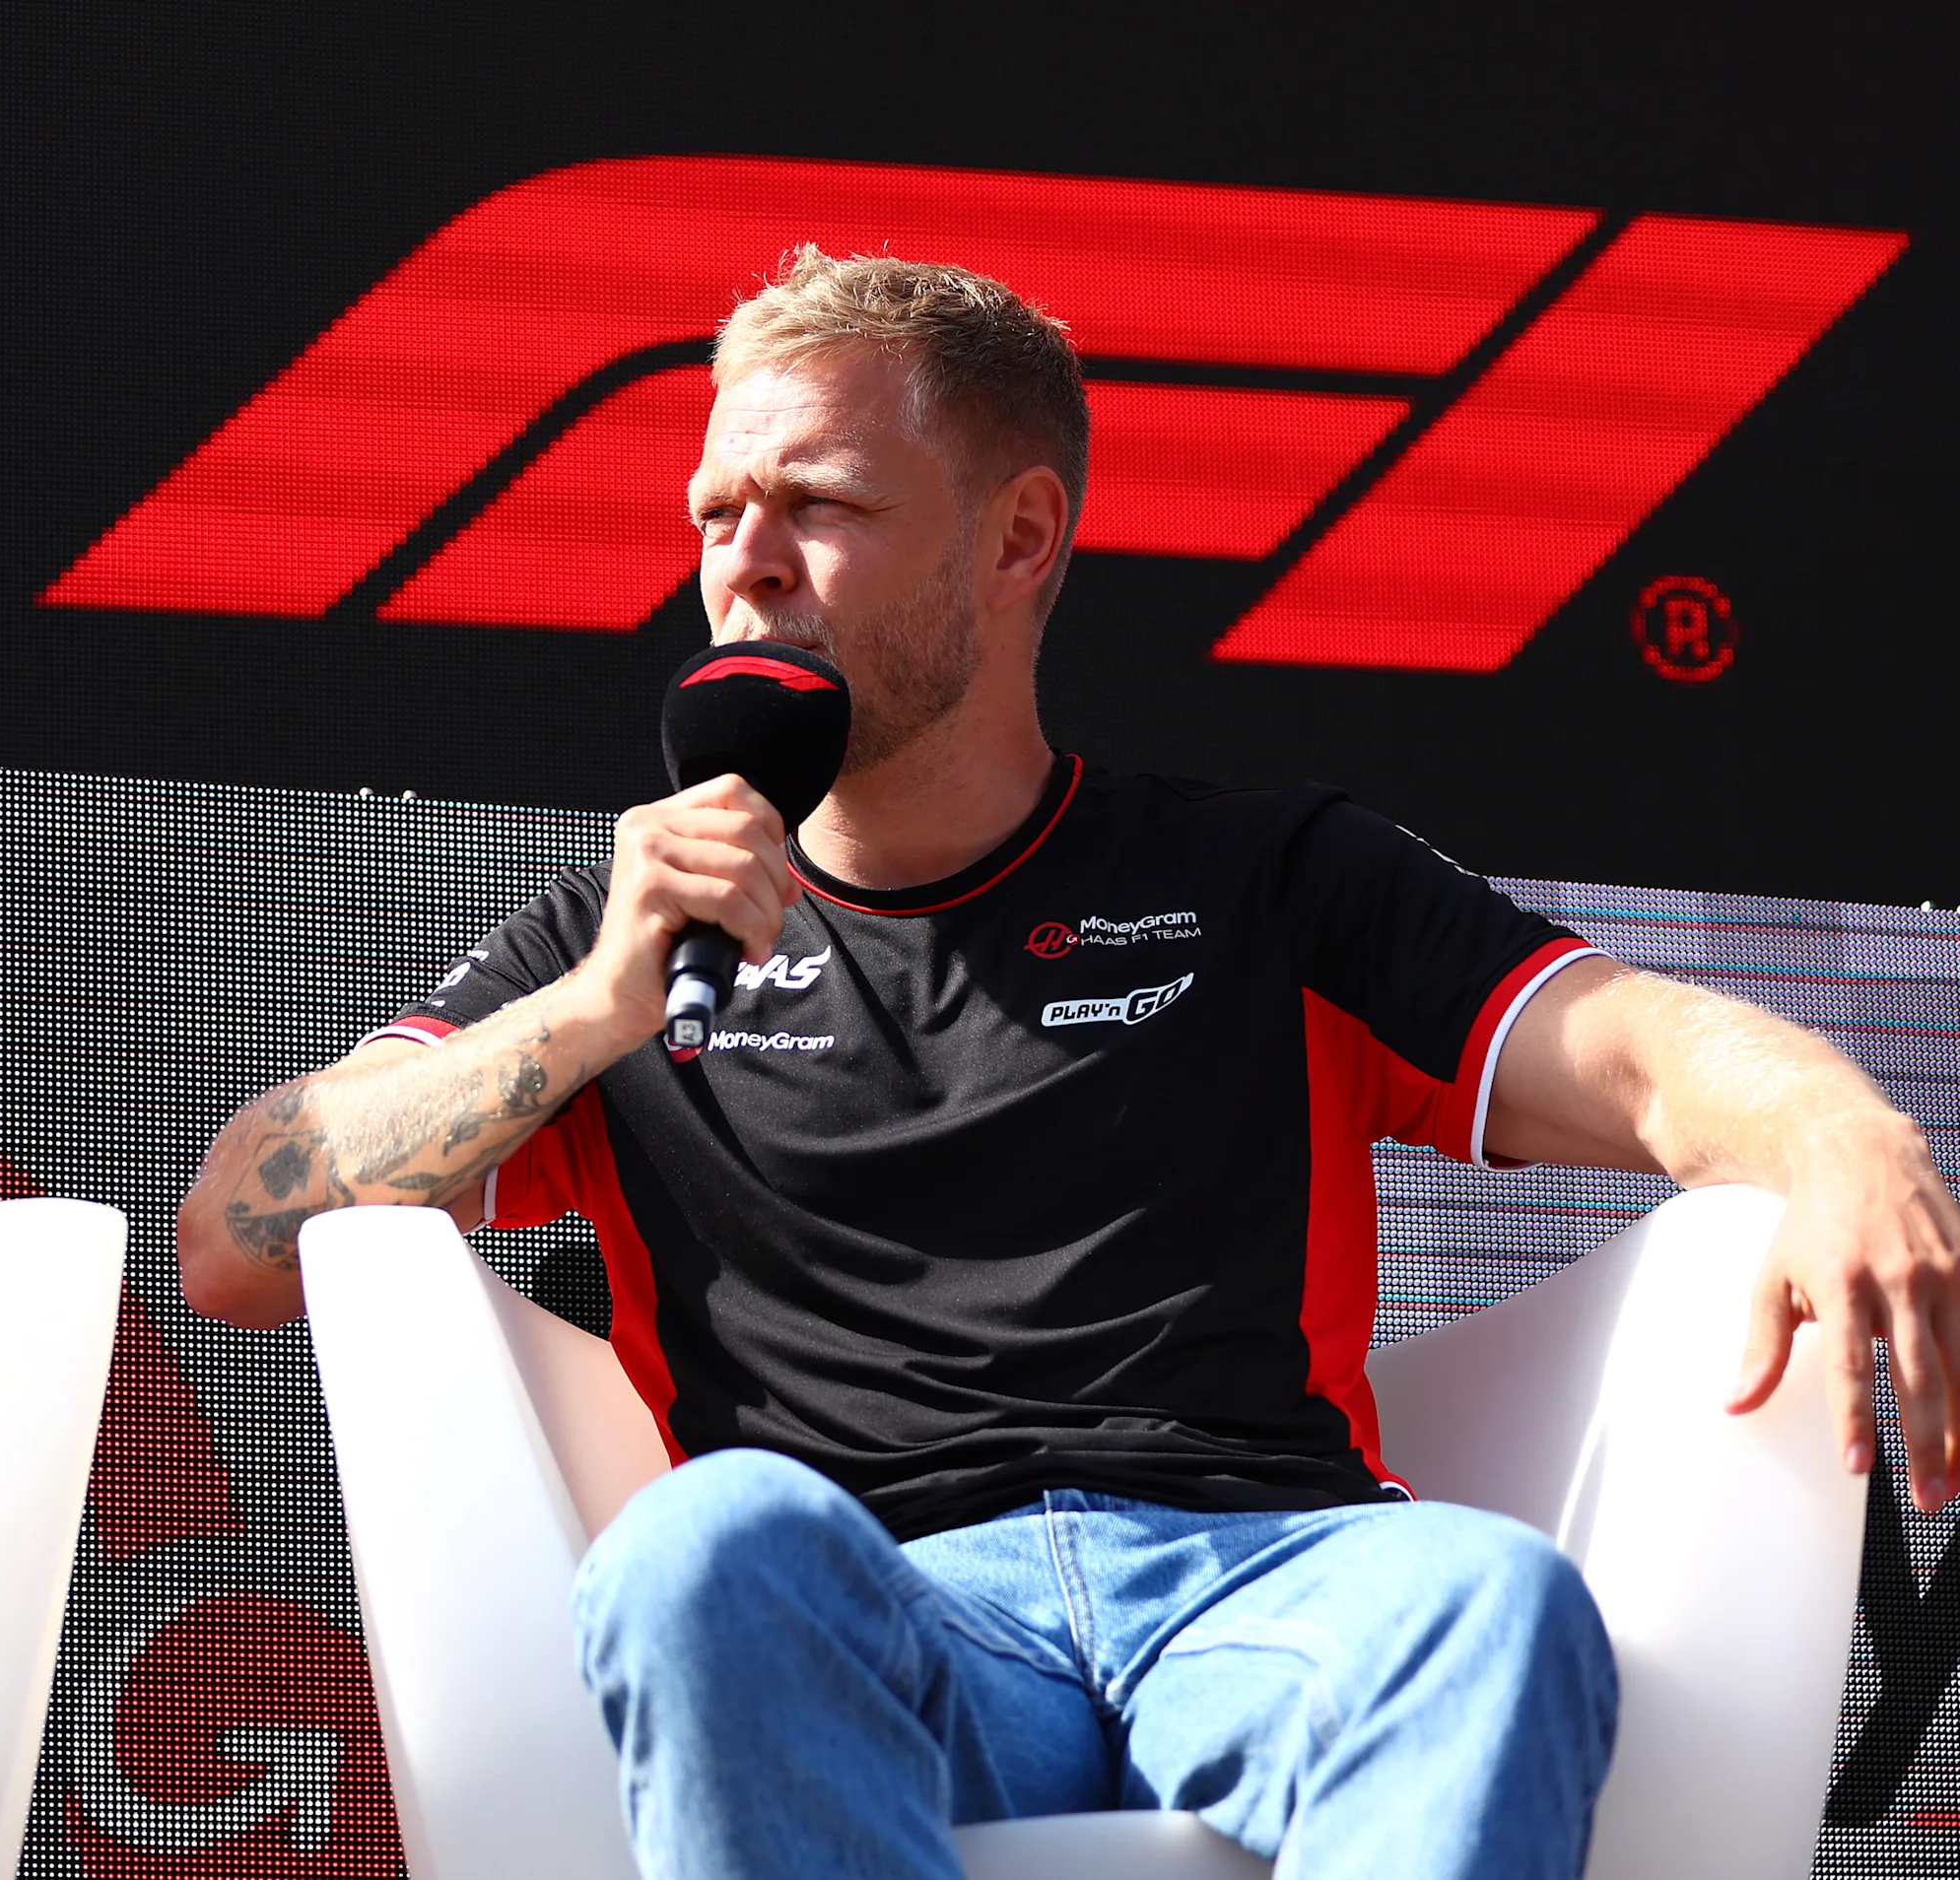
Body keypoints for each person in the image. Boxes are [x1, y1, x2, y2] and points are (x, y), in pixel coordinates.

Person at [175, 245, 1960, 1880]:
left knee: (1487, 1596)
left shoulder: (1263, 874)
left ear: (1021, 538)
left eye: (820, 502)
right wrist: (580, 1024)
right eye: (719, 509)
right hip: (885, 1605)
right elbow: (235, 1241)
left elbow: (1640, 1054)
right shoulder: (613, 944)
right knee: (691, 1554)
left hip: (1267, 1571)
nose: (745, 560)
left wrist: (1841, 1133)